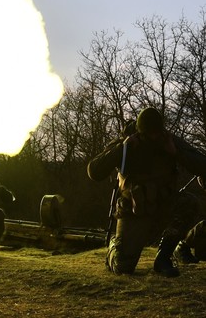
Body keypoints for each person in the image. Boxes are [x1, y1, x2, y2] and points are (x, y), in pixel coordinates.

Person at [87, 107, 206, 277]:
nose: (153, 138)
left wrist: (176, 153)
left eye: (156, 133)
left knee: (189, 203)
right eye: (149, 134)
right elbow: (94, 171)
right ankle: (115, 246)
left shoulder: (168, 141)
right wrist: (122, 149)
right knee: (124, 268)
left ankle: (164, 257)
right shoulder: (126, 142)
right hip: (135, 210)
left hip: (164, 205)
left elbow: (202, 165)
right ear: (140, 132)